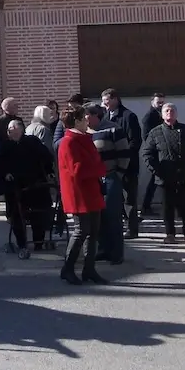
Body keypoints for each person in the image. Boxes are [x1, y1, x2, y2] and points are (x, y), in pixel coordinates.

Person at [58, 104, 108, 285]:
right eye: (83, 117)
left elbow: (94, 163)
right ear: (76, 121)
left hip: (91, 190)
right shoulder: (69, 142)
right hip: (79, 192)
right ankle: (68, 268)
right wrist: (99, 169)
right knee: (81, 231)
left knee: (93, 231)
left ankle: (89, 269)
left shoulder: (84, 138)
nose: (87, 119)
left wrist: (98, 167)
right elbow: (77, 170)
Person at [0, 119, 56, 259]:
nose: (9, 130)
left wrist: (49, 171)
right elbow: (1, 163)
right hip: (16, 185)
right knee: (17, 214)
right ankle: (22, 243)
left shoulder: (32, 141)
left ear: (20, 129)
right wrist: (6, 174)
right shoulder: (5, 145)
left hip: (35, 183)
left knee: (39, 212)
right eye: (8, 128)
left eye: (12, 127)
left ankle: (38, 241)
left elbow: (46, 157)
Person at [142, 103, 185, 244]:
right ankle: (170, 233)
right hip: (164, 177)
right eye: (166, 111)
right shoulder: (155, 132)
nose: (169, 113)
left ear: (176, 114)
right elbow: (147, 154)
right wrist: (157, 171)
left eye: (172, 111)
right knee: (167, 207)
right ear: (162, 114)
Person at [84, 103, 129, 264]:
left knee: (113, 215)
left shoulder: (113, 129)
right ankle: (103, 249)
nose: (85, 119)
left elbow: (124, 153)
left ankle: (116, 253)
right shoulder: (86, 133)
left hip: (110, 177)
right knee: (99, 216)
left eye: (87, 116)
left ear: (96, 115)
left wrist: (118, 174)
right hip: (94, 179)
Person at [101, 89, 143, 239]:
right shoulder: (104, 117)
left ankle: (132, 229)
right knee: (114, 198)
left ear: (115, 99)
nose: (104, 104)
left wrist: (124, 156)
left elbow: (135, 140)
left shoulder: (128, 116)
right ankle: (116, 227)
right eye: (103, 101)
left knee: (130, 199)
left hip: (128, 165)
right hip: (110, 166)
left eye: (106, 100)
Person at [140, 93, 166, 215]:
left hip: (161, 151)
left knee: (156, 180)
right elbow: (146, 136)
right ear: (152, 102)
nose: (160, 105)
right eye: (158, 102)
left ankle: (148, 205)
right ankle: (146, 206)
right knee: (154, 180)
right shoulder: (149, 117)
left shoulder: (161, 114)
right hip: (154, 153)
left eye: (162, 102)